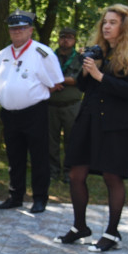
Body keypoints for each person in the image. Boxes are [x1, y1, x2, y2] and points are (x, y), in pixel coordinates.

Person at [54, 4, 128, 252]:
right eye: (105, 21)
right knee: (75, 175)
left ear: (124, 26)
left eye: (113, 22)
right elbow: (85, 87)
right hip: (89, 120)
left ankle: (112, 232)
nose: (106, 26)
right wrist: (87, 70)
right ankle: (80, 227)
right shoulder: (98, 51)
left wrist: (100, 75)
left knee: (111, 176)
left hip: (117, 124)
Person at [0, 10, 63, 213]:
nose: (17, 32)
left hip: (34, 113)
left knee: (39, 157)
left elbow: (56, 83)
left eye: (21, 28)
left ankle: (40, 198)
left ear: (30, 30)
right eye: (13, 28)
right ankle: (15, 195)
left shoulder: (43, 53)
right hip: (9, 114)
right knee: (14, 157)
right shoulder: (2, 55)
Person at [47, 27, 83, 182]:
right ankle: (52, 171)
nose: (65, 40)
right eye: (63, 37)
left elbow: (78, 79)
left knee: (72, 140)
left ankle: (69, 172)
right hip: (51, 104)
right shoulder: (49, 56)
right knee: (50, 141)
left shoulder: (80, 58)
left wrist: (58, 80)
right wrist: (55, 81)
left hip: (72, 105)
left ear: (74, 40)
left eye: (69, 37)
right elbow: (41, 76)